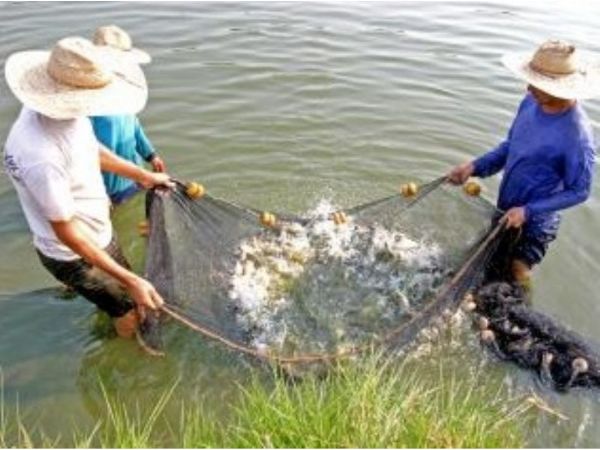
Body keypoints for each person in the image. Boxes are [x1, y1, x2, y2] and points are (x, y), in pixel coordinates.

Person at [3, 36, 172, 354]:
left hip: (99, 234)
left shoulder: (59, 113)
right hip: (72, 256)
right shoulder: (40, 155)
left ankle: (109, 306)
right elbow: (66, 233)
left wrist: (142, 175)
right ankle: (129, 359)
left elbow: (89, 149)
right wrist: (132, 282)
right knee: (128, 309)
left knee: (124, 290)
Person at [448, 40, 597, 290]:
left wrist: (527, 211)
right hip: (507, 207)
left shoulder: (577, 136)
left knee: (518, 271)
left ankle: (522, 312)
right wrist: (474, 167)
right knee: (487, 262)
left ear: (560, 88)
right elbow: (510, 146)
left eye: (538, 84)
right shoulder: (530, 102)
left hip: (538, 219)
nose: (528, 87)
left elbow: (579, 191)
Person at [90, 25, 166, 205]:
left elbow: (134, 127)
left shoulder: (124, 92)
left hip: (135, 177)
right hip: (106, 188)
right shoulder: (87, 101)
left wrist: (151, 155)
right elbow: (85, 150)